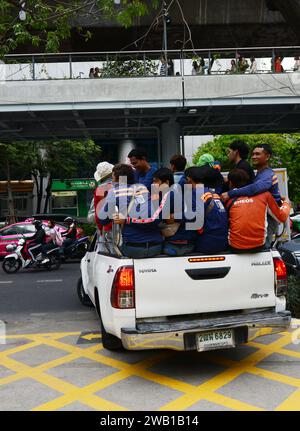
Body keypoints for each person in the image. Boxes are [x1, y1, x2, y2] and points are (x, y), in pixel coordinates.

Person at [221, 144, 282, 244]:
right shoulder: (260, 174)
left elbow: (255, 188)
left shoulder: (267, 174)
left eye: (258, 154)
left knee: (263, 249)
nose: (254, 157)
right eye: (253, 154)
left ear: (267, 157)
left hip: (268, 219)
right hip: (262, 218)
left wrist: (230, 193)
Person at [99, 164, 163, 259]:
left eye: (112, 178)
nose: (112, 181)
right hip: (156, 247)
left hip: (133, 249)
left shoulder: (114, 192)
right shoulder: (142, 188)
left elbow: (103, 220)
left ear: (117, 179)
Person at [226, 169, 290, 251]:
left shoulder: (228, 199)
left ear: (230, 183)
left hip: (235, 247)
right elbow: (281, 217)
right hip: (259, 246)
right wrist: (286, 203)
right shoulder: (265, 195)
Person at [152, 168, 195, 256]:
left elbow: (155, 218)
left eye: (156, 182)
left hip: (177, 243)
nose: (153, 185)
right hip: (183, 239)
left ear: (167, 182)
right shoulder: (172, 192)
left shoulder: (170, 195)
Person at [185, 166, 228, 254]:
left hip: (207, 244)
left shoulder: (195, 193)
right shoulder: (213, 194)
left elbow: (192, 218)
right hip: (222, 243)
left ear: (189, 180)